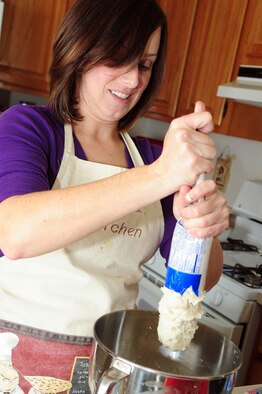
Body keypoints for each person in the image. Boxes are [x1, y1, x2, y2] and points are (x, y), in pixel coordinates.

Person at [0, 0, 229, 390]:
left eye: (144, 63)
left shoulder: (154, 158)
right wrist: (160, 176)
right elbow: (16, 235)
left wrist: (201, 228)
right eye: (117, 58)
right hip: (13, 364)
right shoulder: (29, 128)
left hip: (106, 370)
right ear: (79, 49)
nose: (132, 80)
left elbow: (202, 280)